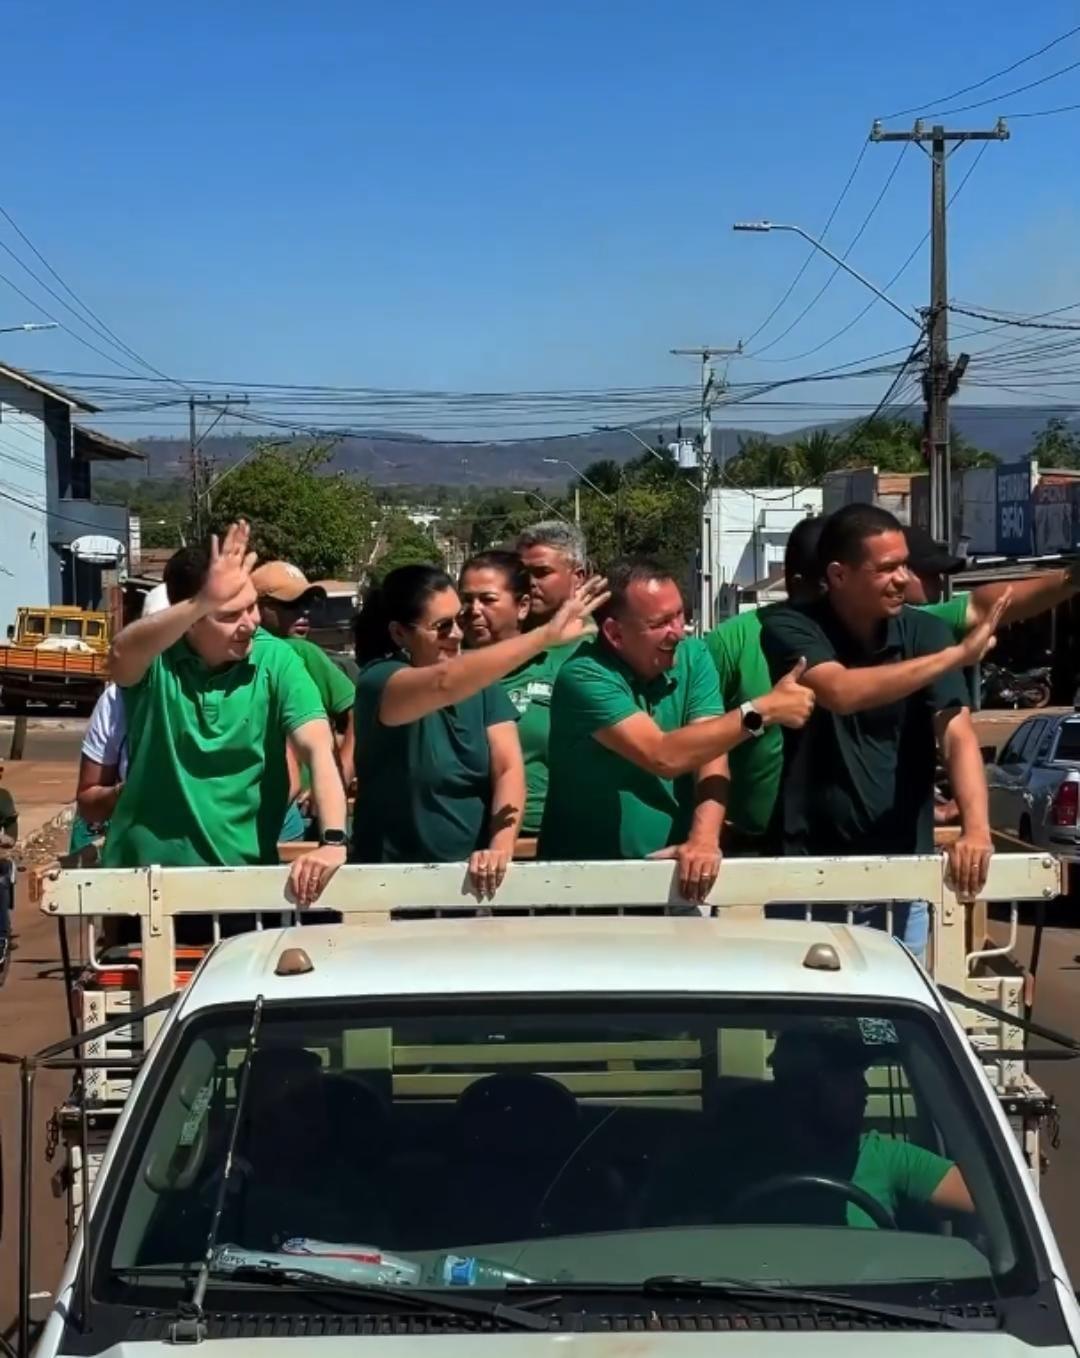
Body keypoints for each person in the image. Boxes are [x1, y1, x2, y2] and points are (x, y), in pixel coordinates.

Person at [760, 504, 1001, 933]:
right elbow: (840, 692)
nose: (904, 579)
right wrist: (955, 658)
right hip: (807, 877)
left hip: (902, 876)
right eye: (888, 568)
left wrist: (977, 830)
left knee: (900, 998)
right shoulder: (789, 625)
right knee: (810, 1002)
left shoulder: (925, 632)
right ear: (838, 575)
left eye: (905, 565)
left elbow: (957, 735)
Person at [539, 557, 815, 902]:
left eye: (679, 615)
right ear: (614, 633)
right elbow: (661, 755)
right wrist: (760, 711)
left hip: (672, 882)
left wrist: (703, 840)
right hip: (585, 886)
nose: (678, 631)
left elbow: (710, 753)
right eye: (660, 623)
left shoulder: (694, 656)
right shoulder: (583, 675)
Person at [103, 521, 347, 908]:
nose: (249, 622)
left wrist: (333, 841)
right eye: (230, 614)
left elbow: (317, 747)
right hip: (144, 888)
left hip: (244, 887)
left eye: (251, 607)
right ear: (190, 621)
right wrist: (202, 601)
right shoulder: (156, 660)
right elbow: (119, 657)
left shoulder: (276, 659)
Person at [350, 562, 607, 897]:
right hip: (393, 884)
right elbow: (443, 684)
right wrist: (544, 637)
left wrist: (500, 847)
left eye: (458, 621)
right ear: (400, 634)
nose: (457, 634)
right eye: (442, 627)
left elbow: (509, 768)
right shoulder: (380, 681)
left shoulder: (482, 686)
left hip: (470, 885)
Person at [732, 1027, 973, 1230]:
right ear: (798, 1087)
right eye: (844, 1078)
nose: (863, 1089)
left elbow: (991, 1203)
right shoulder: (738, 1161)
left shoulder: (885, 1156)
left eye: (860, 1076)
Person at [459, 549, 581, 844]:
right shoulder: (447, 678)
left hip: (545, 837)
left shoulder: (561, 671)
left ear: (523, 606)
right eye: (466, 600)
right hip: (466, 840)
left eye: (487, 600)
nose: (473, 610)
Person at [251, 560, 357, 821]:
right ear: (258, 607)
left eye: (308, 604)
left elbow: (358, 713)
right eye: (291, 605)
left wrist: (336, 780)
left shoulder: (302, 651)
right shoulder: (281, 651)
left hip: (299, 812)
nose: (304, 613)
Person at [515, 521, 588, 627]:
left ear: (578, 577)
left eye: (543, 572)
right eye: (522, 572)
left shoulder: (588, 640)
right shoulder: (505, 635)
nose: (530, 582)